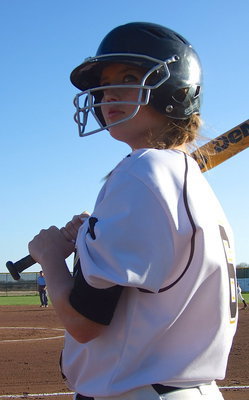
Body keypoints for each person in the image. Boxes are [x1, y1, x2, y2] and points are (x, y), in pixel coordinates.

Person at [28, 22, 238, 400]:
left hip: (137, 392)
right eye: (104, 86)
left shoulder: (142, 171)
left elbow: (85, 322)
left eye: (128, 77)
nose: (109, 94)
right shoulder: (182, 177)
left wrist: (50, 257)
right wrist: (92, 238)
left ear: (176, 87)